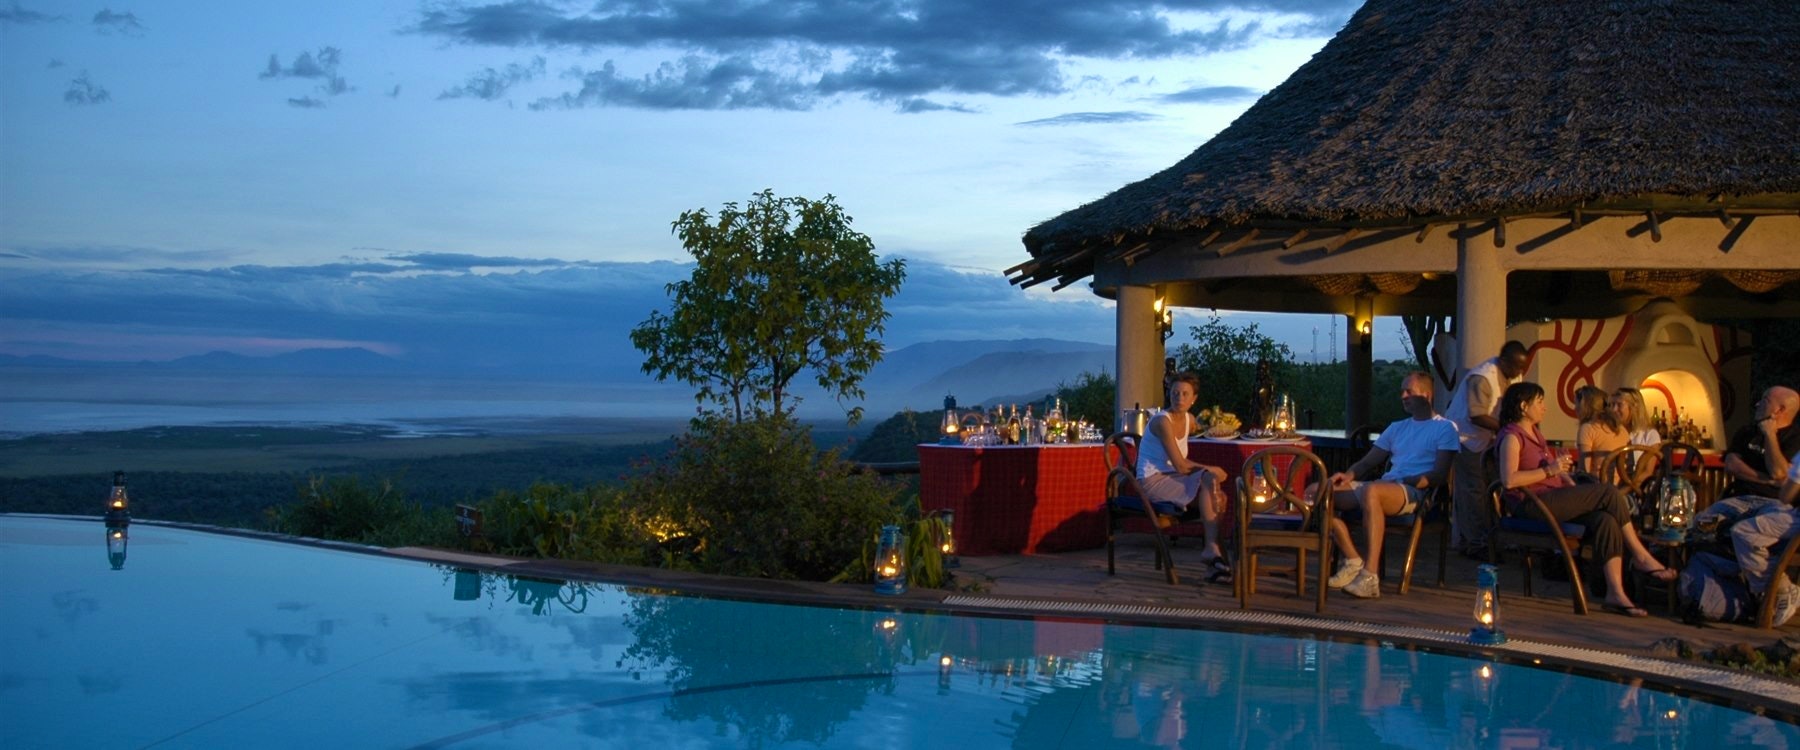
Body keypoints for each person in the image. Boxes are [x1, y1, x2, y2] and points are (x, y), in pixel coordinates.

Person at [1494, 381, 1676, 617]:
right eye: (1539, 402)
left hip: (1550, 499)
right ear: (1523, 406)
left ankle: (1615, 593)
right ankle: (1640, 555)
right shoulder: (1512, 436)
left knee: (1605, 520)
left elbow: (1549, 472)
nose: (1544, 407)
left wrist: (1563, 476)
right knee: (1608, 492)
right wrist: (1550, 470)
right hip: (1531, 505)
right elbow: (1508, 479)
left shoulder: (1536, 434)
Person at [1322, 371, 1459, 599]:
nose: (1403, 396)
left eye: (1409, 391)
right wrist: (1347, 475)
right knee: (1319, 492)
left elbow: (1440, 474)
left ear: (1426, 395)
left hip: (1415, 491)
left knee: (1372, 491)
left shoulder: (1445, 428)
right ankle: (1352, 559)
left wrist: (1417, 479)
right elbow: (1367, 462)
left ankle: (1370, 576)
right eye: (1402, 391)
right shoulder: (1397, 427)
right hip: (1385, 486)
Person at [1136, 372, 1230, 575]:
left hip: (1175, 477)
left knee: (1217, 493)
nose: (1179, 398)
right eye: (1175, 393)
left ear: (1193, 399)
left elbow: (1206, 427)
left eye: (1185, 394)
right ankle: (1213, 553)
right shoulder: (1162, 422)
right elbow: (1180, 465)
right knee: (1213, 485)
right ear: (1169, 394)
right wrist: (1211, 469)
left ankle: (1212, 554)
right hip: (1153, 481)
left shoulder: (1190, 419)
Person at [1447, 340, 1532, 554]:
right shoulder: (1482, 378)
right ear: (1503, 361)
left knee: (1492, 489)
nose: (1520, 372)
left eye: (1523, 367)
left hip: (1489, 440)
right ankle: (1475, 542)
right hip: (1465, 438)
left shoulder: (1514, 375)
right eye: (1516, 367)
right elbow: (1476, 416)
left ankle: (1492, 538)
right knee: (1473, 491)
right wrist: (1509, 429)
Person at [1721, 386, 1800, 499]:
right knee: (1708, 512)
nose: (1757, 404)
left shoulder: (1795, 438)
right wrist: (1768, 480)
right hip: (1738, 497)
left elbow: (1778, 473)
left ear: (1780, 410)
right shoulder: (1747, 431)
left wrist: (1770, 435)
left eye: (1765, 401)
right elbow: (1731, 465)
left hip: (1772, 502)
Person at [1573, 385, 1629, 477]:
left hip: (1598, 483)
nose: (1574, 408)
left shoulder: (1588, 428)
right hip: (1622, 482)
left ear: (1584, 406)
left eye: (1576, 404)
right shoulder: (1621, 428)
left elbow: (1584, 470)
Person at [1610, 387, 1661, 486]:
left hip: (1635, 487)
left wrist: (1624, 485)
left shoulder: (1650, 435)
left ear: (1634, 407)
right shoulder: (1610, 432)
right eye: (1612, 405)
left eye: (1619, 405)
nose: (1614, 410)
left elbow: (1647, 472)